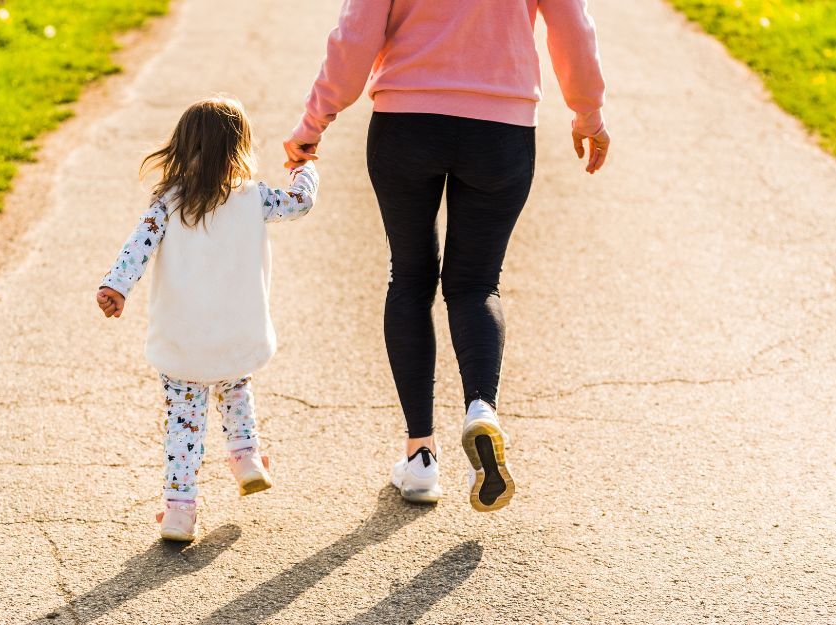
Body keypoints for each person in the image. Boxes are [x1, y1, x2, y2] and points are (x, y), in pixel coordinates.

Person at [284, 0, 609, 512]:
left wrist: (313, 121)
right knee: (476, 283)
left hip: (406, 124)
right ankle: (482, 406)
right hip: (501, 131)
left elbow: (356, 33)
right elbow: (572, 25)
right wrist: (587, 110)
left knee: (410, 278)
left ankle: (420, 461)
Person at [98, 96, 320, 541]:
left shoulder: (167, 203)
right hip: (236, 333)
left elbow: (135, 248)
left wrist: (115, 287)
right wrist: (305, 167)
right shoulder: (254, 198)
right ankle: (247, 458)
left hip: (183, 341)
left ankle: (179, 511)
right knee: (236, 389)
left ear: (182, 148)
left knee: (184, 423)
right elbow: (300, 202)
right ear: (239, 149)